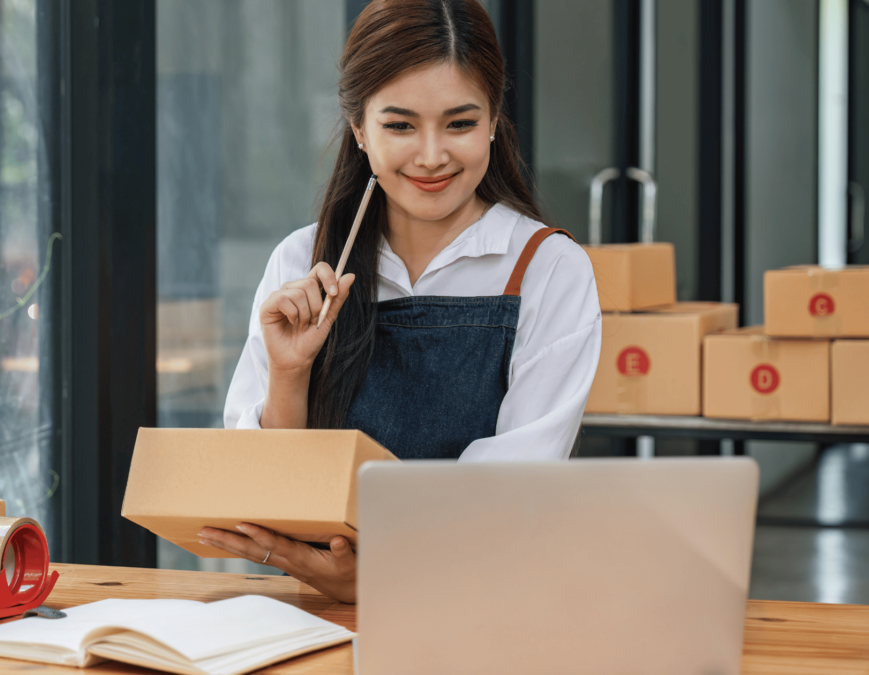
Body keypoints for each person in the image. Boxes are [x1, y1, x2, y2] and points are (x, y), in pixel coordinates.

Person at [198, 0, 601, 603]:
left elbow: (516, 485)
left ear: (493, 121)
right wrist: (288, 370)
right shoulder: (301, 263)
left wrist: (386, 572)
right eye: (401, 125)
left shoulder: (549, 270)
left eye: (460, 124)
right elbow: (261, 490)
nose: (432, 155)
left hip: (488, 606)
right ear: (360, 129)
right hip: (319, 613)